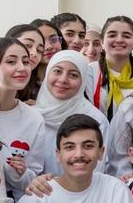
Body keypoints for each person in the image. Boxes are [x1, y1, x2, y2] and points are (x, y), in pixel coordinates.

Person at [0, 36, 45, 203]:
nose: (22, 68)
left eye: (25, 62)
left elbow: (33, 176)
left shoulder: (34, 119)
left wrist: (21, 172)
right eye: (11, 61)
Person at [30, 50, 109, 178]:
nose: (63, 80)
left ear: (83, 81)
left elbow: (97, 170)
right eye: (57, 71)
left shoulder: (95, 119)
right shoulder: (30, 116)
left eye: (73, 75)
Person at [90, 15, 133, 121]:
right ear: (102, 41)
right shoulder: (90, 73)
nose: (119, 40)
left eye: (126, 36)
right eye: (112, 35)